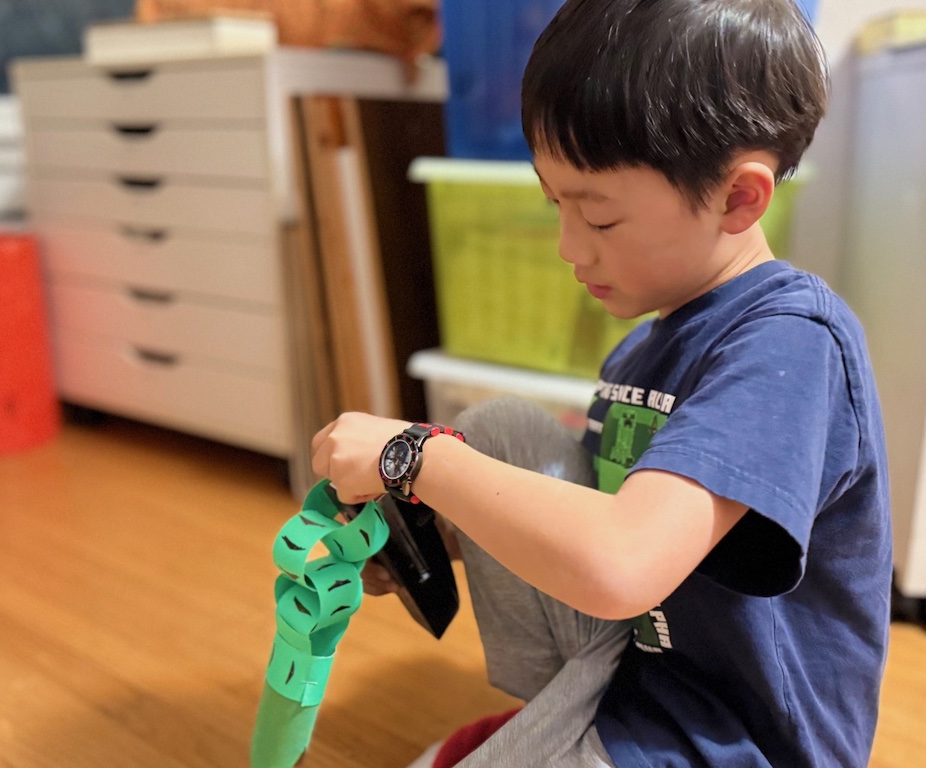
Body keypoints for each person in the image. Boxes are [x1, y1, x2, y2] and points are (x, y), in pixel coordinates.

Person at [311, 0, 893, 765]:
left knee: (463, 451)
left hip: (732, 742)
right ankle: (563, 721)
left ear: (739, 196)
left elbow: (620, 563)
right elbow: (589, 526)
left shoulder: (789, 348)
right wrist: (434, 533)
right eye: (556, 205)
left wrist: (413, 458)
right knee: (504, 431)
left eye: (600, 219)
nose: (567, 247)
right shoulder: (642, 352)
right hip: (631, 674)